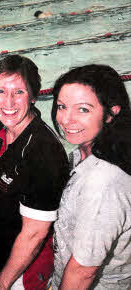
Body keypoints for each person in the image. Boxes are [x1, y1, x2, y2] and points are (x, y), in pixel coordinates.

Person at [0, 55, 69, 289]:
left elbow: (35, 235)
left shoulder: (43, 151)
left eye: (19, 92)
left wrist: (1, 285)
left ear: (34, 96)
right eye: (1, 91)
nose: (9, 102)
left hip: (26, 268)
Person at [50, 64, 131, 289]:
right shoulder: (81, 154)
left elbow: (83, 271)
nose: (66, 119)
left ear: (111, 114)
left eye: (83, 109)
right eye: (62, 106)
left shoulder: (104, 181)